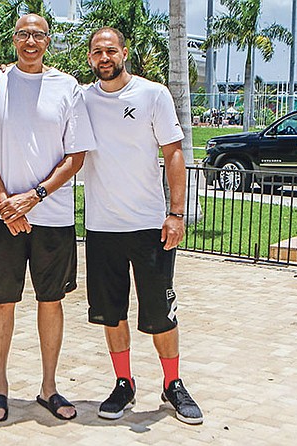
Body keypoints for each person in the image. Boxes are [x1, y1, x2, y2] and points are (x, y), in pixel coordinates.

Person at [0, 13, 95, 422]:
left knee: (50, 300)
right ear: (13, 39)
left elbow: (75, 157)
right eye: (23, 34)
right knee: (2, 301)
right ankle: (0, 387)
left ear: (48, 41)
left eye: (38, 35)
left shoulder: (68, 87)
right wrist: (6, 201)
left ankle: (49, 388)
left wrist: (33, 198)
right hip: (0, 214)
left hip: (52, 216)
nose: (30, 41)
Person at [81, 27, 203, 425]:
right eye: (97, 52)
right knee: (111, 314)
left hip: (151, 226)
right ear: (89, 58)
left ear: (124, 53)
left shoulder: (153, 95)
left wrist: (177, 212)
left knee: (160, 314)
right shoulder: (82, 98)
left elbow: (173, 153)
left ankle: (173, 384)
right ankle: (123, 383)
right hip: (101, 228)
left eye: (110, 50)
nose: (104, 57)